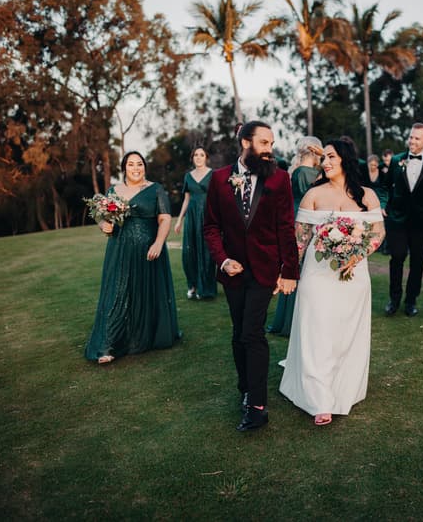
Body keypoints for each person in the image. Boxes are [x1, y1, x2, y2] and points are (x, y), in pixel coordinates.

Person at [279, 139, 384, 426]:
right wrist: (288, 271)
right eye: (324, 158)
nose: (325, 163)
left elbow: (377, 233)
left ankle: (342, 385)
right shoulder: (313, 195)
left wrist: (358, 253)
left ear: (345, 159)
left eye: (331, 157)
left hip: (353, 273)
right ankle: (319, 399)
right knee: (317, 330)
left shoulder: (368, 196)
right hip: (317, 272)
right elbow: (300, 240)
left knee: (345, 331)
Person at [203, 120, 299, 432]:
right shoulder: (219, 179)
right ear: (246, 142)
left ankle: (258, 406)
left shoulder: (280, 179)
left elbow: (286, 227)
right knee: (238, 333)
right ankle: (245, 389)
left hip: (265, 269)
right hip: (233, 272)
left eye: (271, 144)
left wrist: (289, 271)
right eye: (264, 143)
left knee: (252, 333)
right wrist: (223, 259)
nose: (270, 150)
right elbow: (211, 227)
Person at [84, 151, 181, 364]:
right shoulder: (113, 190)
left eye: (139, 164)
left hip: (148, 248)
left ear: (144, 166)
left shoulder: (156, 189)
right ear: (124, 168)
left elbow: (165, 219)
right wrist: (104, 225)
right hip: (118, 248)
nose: (135, 168)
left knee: (143, 292)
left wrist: (158, 242)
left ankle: (140, 337)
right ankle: (107, 346)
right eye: (130, 164)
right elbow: (100, 216)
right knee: (116, 292)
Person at [384, 122, 423, 317]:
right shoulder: (396, 160)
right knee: (397, 257)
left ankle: (411, 301)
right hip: (397, 218)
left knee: (417, 261)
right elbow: (384, 188)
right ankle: (394, 299)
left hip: (421, 221)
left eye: (417, 138)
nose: (412, 141)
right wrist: (382, 204)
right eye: (411, 137)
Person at [267, 136, 323, 338]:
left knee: (297, 265)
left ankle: (290, 316)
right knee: (304, 266)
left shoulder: (297, 172)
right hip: (308, 220)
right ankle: (299, 318)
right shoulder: (314, 173)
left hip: (297, 217)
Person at [174, 146, 217, 300]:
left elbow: (216, 198)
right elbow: (186, 199)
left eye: (201, 155)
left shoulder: (213, 174)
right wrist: (179, 220)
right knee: (189, 252)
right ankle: (192, 285)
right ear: (192, 158)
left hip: (207, 216)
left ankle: (206, 288)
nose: (198, 157)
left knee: (206, 251)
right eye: (196, 155)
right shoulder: (188, 176)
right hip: (191, 217)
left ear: (206, 157)